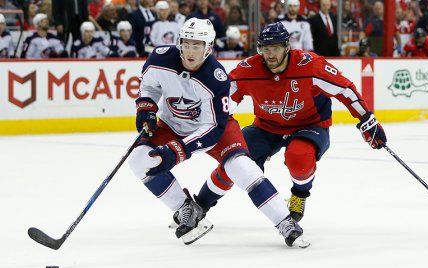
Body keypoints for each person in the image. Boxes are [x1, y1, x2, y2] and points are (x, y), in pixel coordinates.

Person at [127, 18, 309, 248]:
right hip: (171, 124)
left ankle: (285, 222)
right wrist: (146, 107)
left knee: (241, 167)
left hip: (215, 128)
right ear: (179, 42)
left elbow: (212, 128)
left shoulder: (216, 78)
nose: (190, 51)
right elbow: (149, 86)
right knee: (138, 159)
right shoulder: (159, 58)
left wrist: (179, 150)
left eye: (197, 45)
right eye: (187, 44)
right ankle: (186, 208)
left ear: (208, 47)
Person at [202, 21, 387, 222]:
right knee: (234, 160)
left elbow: (344, 89)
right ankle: (200, 204)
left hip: (310, 126)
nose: (270, 54)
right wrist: (215, 121)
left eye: (275, 48)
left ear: (287, 47)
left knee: (299, 158)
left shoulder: (311, 65)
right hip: (266, 127)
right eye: (266, 49)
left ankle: (299, 195)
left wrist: (366, 119)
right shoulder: (249, 69)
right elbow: (226, 98)